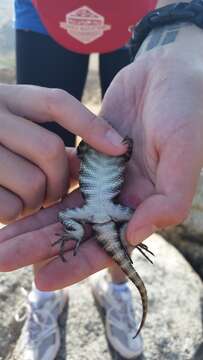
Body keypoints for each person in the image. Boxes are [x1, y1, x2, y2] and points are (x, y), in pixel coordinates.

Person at [1, 0, 203, 358]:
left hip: (137, 10)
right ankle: (46, 293)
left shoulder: (106, 158)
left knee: (109, 196)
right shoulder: (106, 161)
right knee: (41, 170)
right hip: (43, 13)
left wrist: (185, 30)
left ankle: (118, 289)